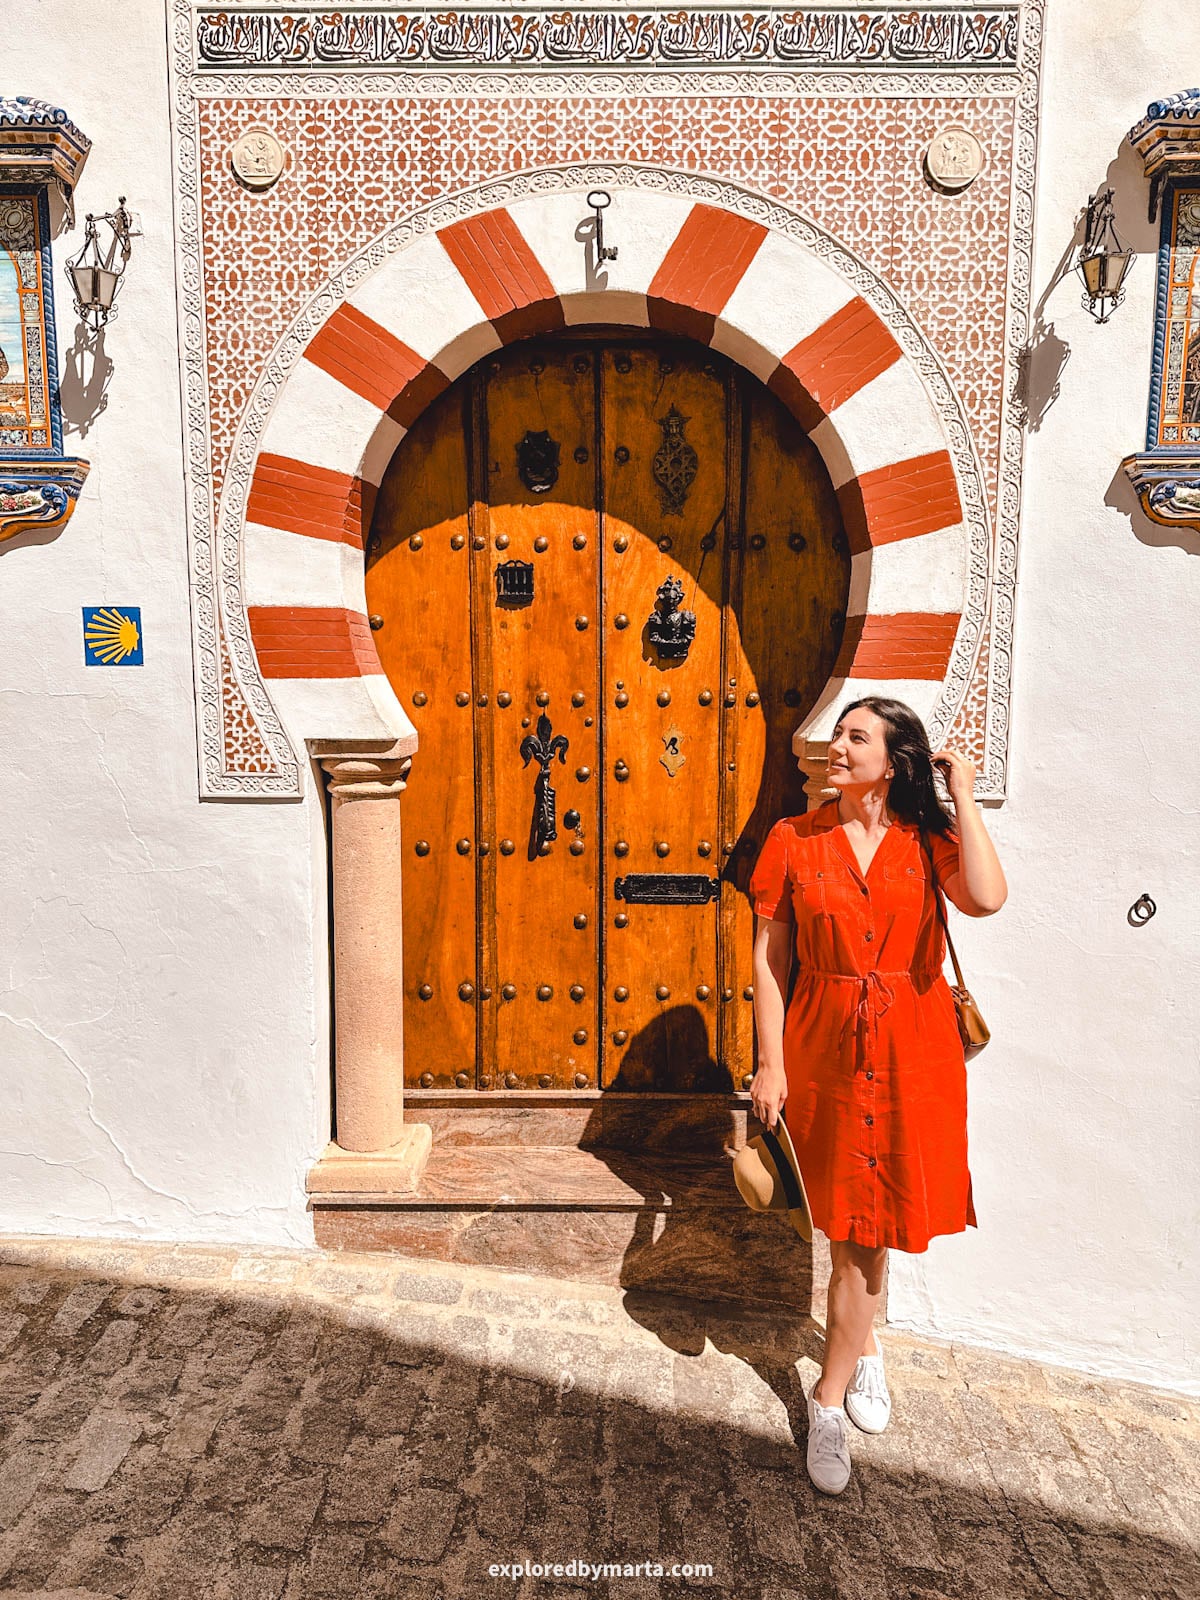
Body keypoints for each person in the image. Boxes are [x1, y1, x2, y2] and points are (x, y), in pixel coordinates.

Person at [748, 696, 1007, 1495]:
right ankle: (861, 1348)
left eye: (855, 735)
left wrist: (961, 793)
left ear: (891, 762)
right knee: (856, 1216)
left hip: (911, 1048)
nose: (836, 745)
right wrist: (768, 1063)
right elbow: (769, 958)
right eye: (838, 732)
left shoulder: (928, 840)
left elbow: (989, 898)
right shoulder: (795, 839)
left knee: (872, 1218)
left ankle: (828, 1399)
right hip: (822, 1044)